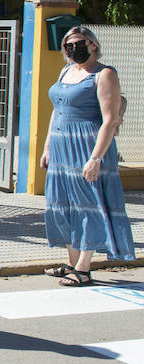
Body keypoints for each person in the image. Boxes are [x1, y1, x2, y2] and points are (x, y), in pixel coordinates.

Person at [40, 25, 133, 285]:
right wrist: (47, 147)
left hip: (87, 147)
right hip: (61, 147)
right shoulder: (66, 71)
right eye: (68, 44)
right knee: (63, 205)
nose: (73, 48)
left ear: (92, 44)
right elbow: (56, 112)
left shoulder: (105, 74)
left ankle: (83, 268)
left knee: (87, 206)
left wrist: (95, 159)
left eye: (79, 43)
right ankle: (71, 262)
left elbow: (110, 120)